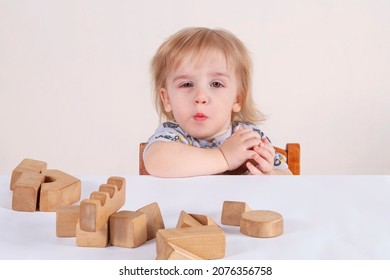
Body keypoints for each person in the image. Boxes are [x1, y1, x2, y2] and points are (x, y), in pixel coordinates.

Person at [143, 27, 292, 177]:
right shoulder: (172, 135)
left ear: (237, 99)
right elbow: (157, 161)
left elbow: (289, 178)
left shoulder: (247, 137)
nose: (200, 97)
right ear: (167, 99)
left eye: (216, 84)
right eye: (186, 84)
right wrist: (224, 157)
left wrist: (269, 174)